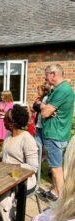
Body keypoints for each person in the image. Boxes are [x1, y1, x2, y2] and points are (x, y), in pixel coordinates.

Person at [0, 104, 38, 221]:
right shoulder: (9, 136)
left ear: (12, 123)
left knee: (2, 200)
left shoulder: (27, 139)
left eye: (5, 119)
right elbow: (3, 157)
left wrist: (13, 168)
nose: (2, 120)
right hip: (6, 176)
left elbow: (33, 167)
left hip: (24, 179)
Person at [40, 64, 74, 200]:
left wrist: (42, 106)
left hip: (54, 134)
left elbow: (44, 113)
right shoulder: (61, 89)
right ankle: (54, 191)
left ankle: (61, 201)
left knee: (56, 168)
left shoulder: (62, 90)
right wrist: (45, 107)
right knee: (56, 166)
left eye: (47, 75)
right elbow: (47, 110)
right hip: (59, 132)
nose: (45, 78)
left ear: (53, 74)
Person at [31, 135, 75, 221]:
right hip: (60, 136)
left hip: (53, 136)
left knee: (56, 169)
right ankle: (59, 198)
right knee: (56, 169)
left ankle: (60, 198)